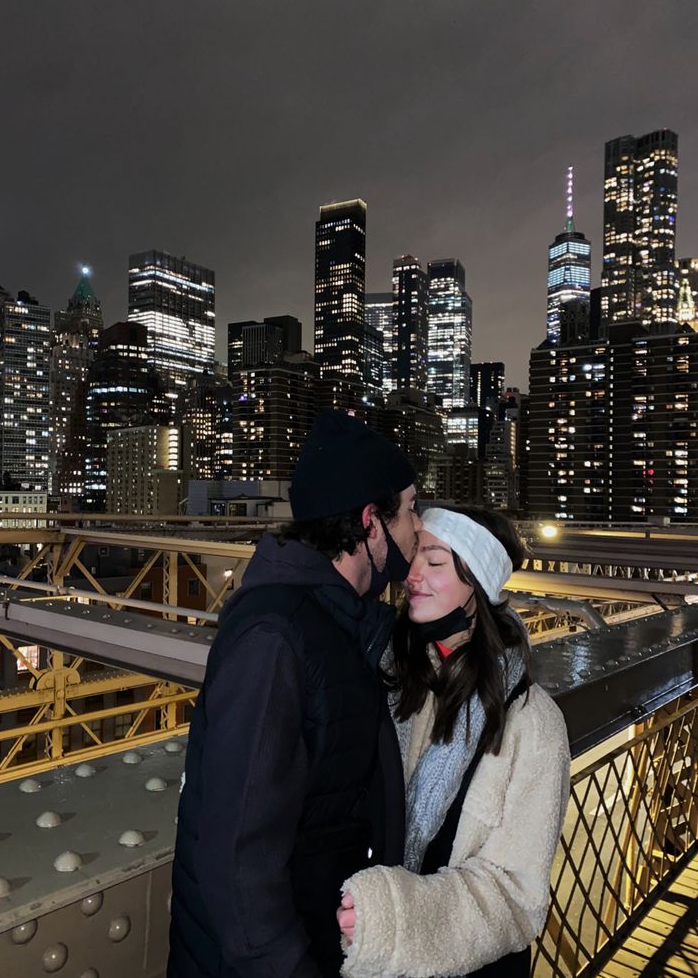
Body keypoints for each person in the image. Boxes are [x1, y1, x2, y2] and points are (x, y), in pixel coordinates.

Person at [168, 410, 421, 978]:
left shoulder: (340, 624)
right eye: (409, 511)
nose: (418, 530)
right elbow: (238, 862)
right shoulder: (276, 638)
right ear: (369, 524)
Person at [338, 506, 571, 978]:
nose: (412, 575)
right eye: (414, 557)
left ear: (477, 585)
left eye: (435, 561)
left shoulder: (533, 723)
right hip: (368, 949)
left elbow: (515, 895)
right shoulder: (395, 674)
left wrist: (396, 918)